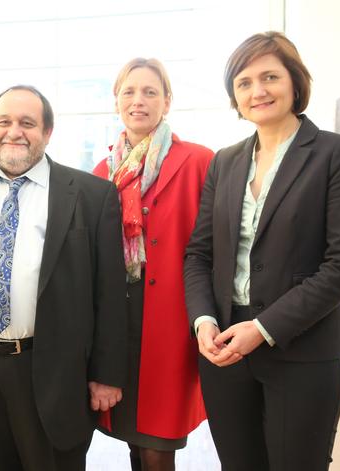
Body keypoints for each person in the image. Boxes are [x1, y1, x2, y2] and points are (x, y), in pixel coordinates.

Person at [184, 31, 340, 471]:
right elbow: (199, 254)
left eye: (270, 76)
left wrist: (262, 327)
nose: (258, 90)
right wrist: (204, 320)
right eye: (244, 82)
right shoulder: (225, 161)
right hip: (225, 352)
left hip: (303, 354)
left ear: (295, 82)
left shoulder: (336, 153)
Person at [0, 85, 128, 471]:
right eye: (4, 121)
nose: (14, 131)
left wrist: (106, 374)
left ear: (47, 132)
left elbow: (111, 294)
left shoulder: (91, 195)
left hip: (50, 371)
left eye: (27, 123)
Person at [92, 58, 211, 471]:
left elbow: (212, 244)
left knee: (160, 440)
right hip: (118, 323)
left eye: (150, 92)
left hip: (172, 320)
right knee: (130, 434)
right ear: (116, 101)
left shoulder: (199, 161)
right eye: (129, 92)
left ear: (168, 101)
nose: (138, 101)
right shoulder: (103, 171)